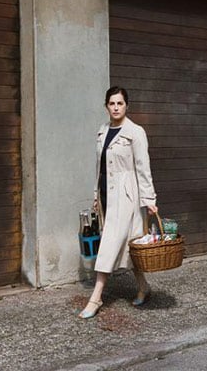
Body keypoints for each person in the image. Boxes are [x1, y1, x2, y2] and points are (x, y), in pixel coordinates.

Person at [79, 86, 158, 319]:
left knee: (110, 243)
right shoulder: (103, 130)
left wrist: (149, 199)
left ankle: (96, 297)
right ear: (106, 106)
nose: (115, 107)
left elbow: (143, 167)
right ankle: (143, 286)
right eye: (112, 103)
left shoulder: (135, 132)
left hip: (127, 196)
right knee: (128, 246)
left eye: (120, 103)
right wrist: (96, 195)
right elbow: (100, 167)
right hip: (106, 195)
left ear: (126, 105)